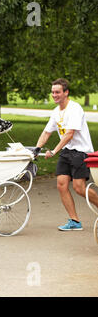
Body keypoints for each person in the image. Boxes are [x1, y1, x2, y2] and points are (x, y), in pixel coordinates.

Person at [34, 78, 98, 231]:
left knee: (79, 188)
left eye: (57, 92)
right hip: (67, 151)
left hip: (81, 152)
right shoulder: (56, 112)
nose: (54, 95)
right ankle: (75, 221)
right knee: (61, 185)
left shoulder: (75, 109)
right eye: (52, 92)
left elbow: (69, 134)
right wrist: (36, 148)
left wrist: (54, 151)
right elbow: (46, 132)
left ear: (66, 92)